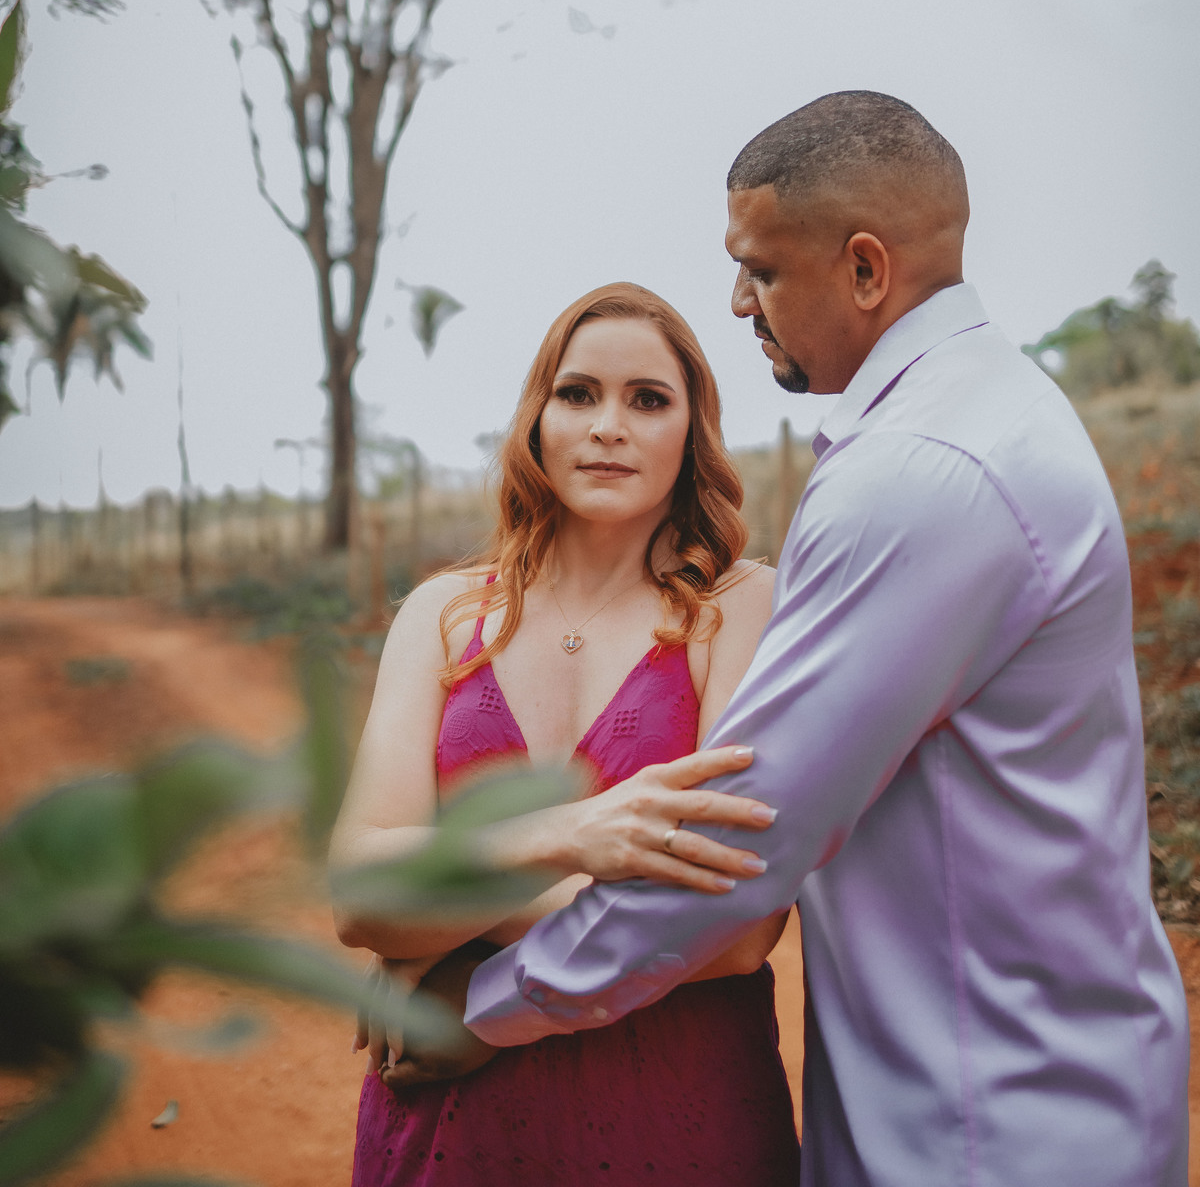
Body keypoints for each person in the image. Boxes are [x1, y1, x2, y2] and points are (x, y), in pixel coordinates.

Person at [462, 91, 1190, 1186]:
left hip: (985, 1127)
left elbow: (741, 838)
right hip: (1044, 1084)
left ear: (863, 269)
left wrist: (481, 1009)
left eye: (758, 269)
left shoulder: (921, 474)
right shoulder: (993, 410)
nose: (737, 301)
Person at [330, 283, 802, 1184]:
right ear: (537, 421)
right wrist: (573, 835)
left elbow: (737, 925)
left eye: (648, 400)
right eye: (578, 393)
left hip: (676, 1120)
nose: (608, 427)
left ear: (692, 434)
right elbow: (360, 895)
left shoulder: (739, 608)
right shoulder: (442, 616)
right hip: (448, 1140)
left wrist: (450, 939)